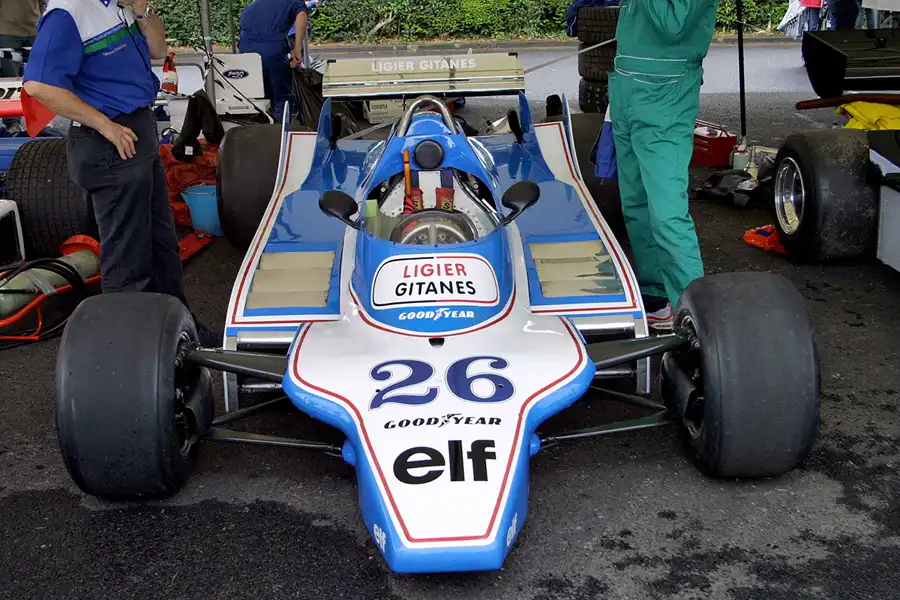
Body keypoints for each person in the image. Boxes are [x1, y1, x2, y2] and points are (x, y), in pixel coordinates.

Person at [22, 0, 218, 346]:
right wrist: (104, 125)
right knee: (129, 257)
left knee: (161, 245)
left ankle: (178, 332)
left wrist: (142, 10)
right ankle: (129, 355)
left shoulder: (123, 6)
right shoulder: (69, 11)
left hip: (137, 129)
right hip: (109, 139)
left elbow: (159, 49)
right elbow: (39, 85)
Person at [608, 0, 718, 330]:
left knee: (667, 212)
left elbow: (674, 24)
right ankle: (657, 296)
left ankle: (699, 317)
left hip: (665, 92)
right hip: (628, 87)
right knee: (636, 204)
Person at [238, 0, 309, 123]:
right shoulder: (294, 2)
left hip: (246, 50)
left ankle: (259, 130)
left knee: (257, 96)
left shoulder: (251, 6)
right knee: (281, 96)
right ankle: (279, 133)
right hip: (272, 49)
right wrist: (297, 48)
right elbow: (302, 16)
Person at [0, 0, 41, 78]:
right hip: (7, 32)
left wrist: (39, 17)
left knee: (37, 73)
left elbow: (42, 3)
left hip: (34, 30)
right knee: (11, 76)